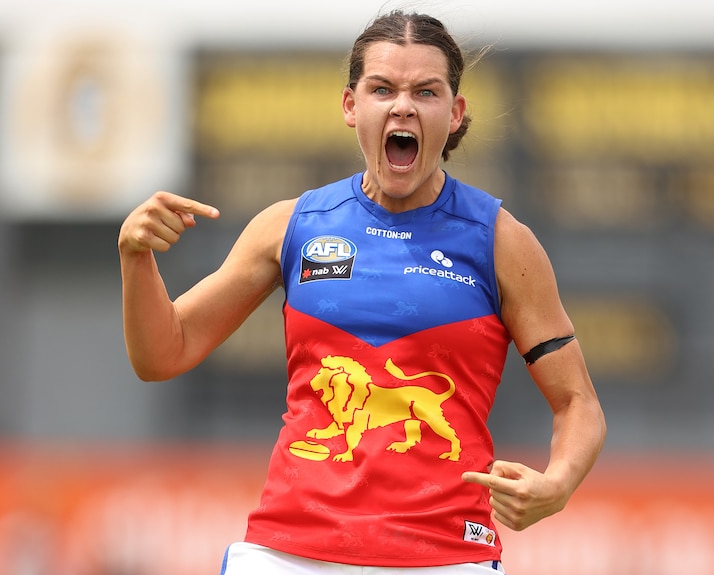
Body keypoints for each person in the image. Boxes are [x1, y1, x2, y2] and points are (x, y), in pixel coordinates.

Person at [118, 10, 605, 575]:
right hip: (288, 551)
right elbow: (163, 352)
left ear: (455, 113)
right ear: (351, 106)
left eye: (426, 91)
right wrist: (137, 259)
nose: (403, 106)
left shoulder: (501, 242)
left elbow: (579, 404)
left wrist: (559, 483)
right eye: (383, 89)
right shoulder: (292, 225)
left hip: (447, 555)